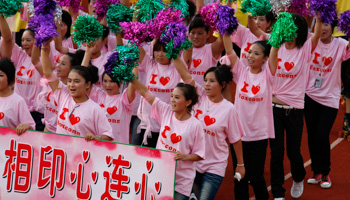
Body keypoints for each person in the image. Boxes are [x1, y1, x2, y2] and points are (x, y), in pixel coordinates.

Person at [176, 52, 245, 199]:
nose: (206, 84)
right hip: (194, 162)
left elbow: (235, 139)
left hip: (215, 165)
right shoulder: (199, 96)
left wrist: (240, 164)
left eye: (212, 81)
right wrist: (172, 52)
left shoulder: (229, 109)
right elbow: (184, 72)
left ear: (222, 85)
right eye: (205, 80)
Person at [269, 13, 322, 200]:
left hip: (295, 109)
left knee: (293, 151)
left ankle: (298, 177)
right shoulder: (276, 46)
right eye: (286, 27)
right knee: (276, 152)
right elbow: (272, 70)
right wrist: (275, 44)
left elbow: (315, 33)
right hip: (274, 108)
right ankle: (277, 191)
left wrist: (320, 12)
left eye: (293, 28)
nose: (289, 31)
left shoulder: (306, 48)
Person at [131, 71, 205, 200]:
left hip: (182, 183)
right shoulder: (165, 111)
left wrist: (185, 156)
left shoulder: (195, 125)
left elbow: (199, 154)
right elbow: (146, 93)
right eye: (172, 96)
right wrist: (130, 78)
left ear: (188, 102)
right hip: (161, 175)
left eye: (177, 97)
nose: (172, 100)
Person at [221, 32, 276, 199]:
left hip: (258, 135)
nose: (250, 56)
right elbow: (230, 50)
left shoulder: (268, 75)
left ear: (265, 58)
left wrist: (277, 38)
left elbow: (275, 52)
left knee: (256, 175)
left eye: (256, 53)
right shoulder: (241, 71)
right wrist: (224, 29)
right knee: (239, 176)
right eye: (249, 52)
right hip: (238, 134)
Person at [304, 20, 350, 189]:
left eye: (326, 24)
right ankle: (316, 171)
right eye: (319, 23)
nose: (322, 28)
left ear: (333, 27)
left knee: (322, 135)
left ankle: (325, 172)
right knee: (311, 135)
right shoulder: (310, 41)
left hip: (330, 99)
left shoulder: (341, 44)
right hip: (310, 95)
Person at [40, 41, 114, 141]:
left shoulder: (95, 109)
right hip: (60, 152)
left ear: (88, 84)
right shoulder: (63, 94)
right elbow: (47, 72)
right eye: (69, 81)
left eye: (76, 81)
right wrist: (44, 46)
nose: (71, 85)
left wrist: (97, 137)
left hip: (80, 155)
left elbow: (108, 135)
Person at [0, 15, 44, 130]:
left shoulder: (44, 60)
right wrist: (1, 16)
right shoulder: (19, 55)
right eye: (22, 40)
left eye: (28, 40)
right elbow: (7, 38)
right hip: (14, 109)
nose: (24, 43)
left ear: (37, 41)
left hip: (38, 114)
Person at [137, 39, 183, 147]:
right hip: (148, 125)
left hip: (168, 124)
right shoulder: (149, 63)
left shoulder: (177, 67)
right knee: (146, 160)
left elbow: (187, 51)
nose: (160, 54)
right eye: (157, 50)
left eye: (164, 50)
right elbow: (137, 45)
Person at [0, 58, 35, 135]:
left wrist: (26, 126)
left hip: (8, 144)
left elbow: (30, 126)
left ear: (10, 79)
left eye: (1, 75)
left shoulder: (18, 101)